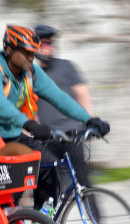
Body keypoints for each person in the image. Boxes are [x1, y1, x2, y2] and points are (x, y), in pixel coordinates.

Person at [0, 25, 110, 208]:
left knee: (49, 164)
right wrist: (28, 124)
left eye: (33, 52)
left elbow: (59, 98)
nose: (31, 57)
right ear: (9, 50)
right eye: (26, 52)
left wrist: (88, 119)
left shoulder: (31, 72)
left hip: (12, 136)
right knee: (10, 193)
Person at [34, 24, 95, 193]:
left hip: (72, 135)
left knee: (83, 181)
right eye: (44, 44)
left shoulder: (66, 66)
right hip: (48, 139)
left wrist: (89, 122)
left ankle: (96, 219)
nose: (49, 48)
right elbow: (31, 109)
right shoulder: (31, 73)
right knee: (48, 186)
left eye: (51, 44)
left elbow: (83, 94)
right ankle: (47, 219)